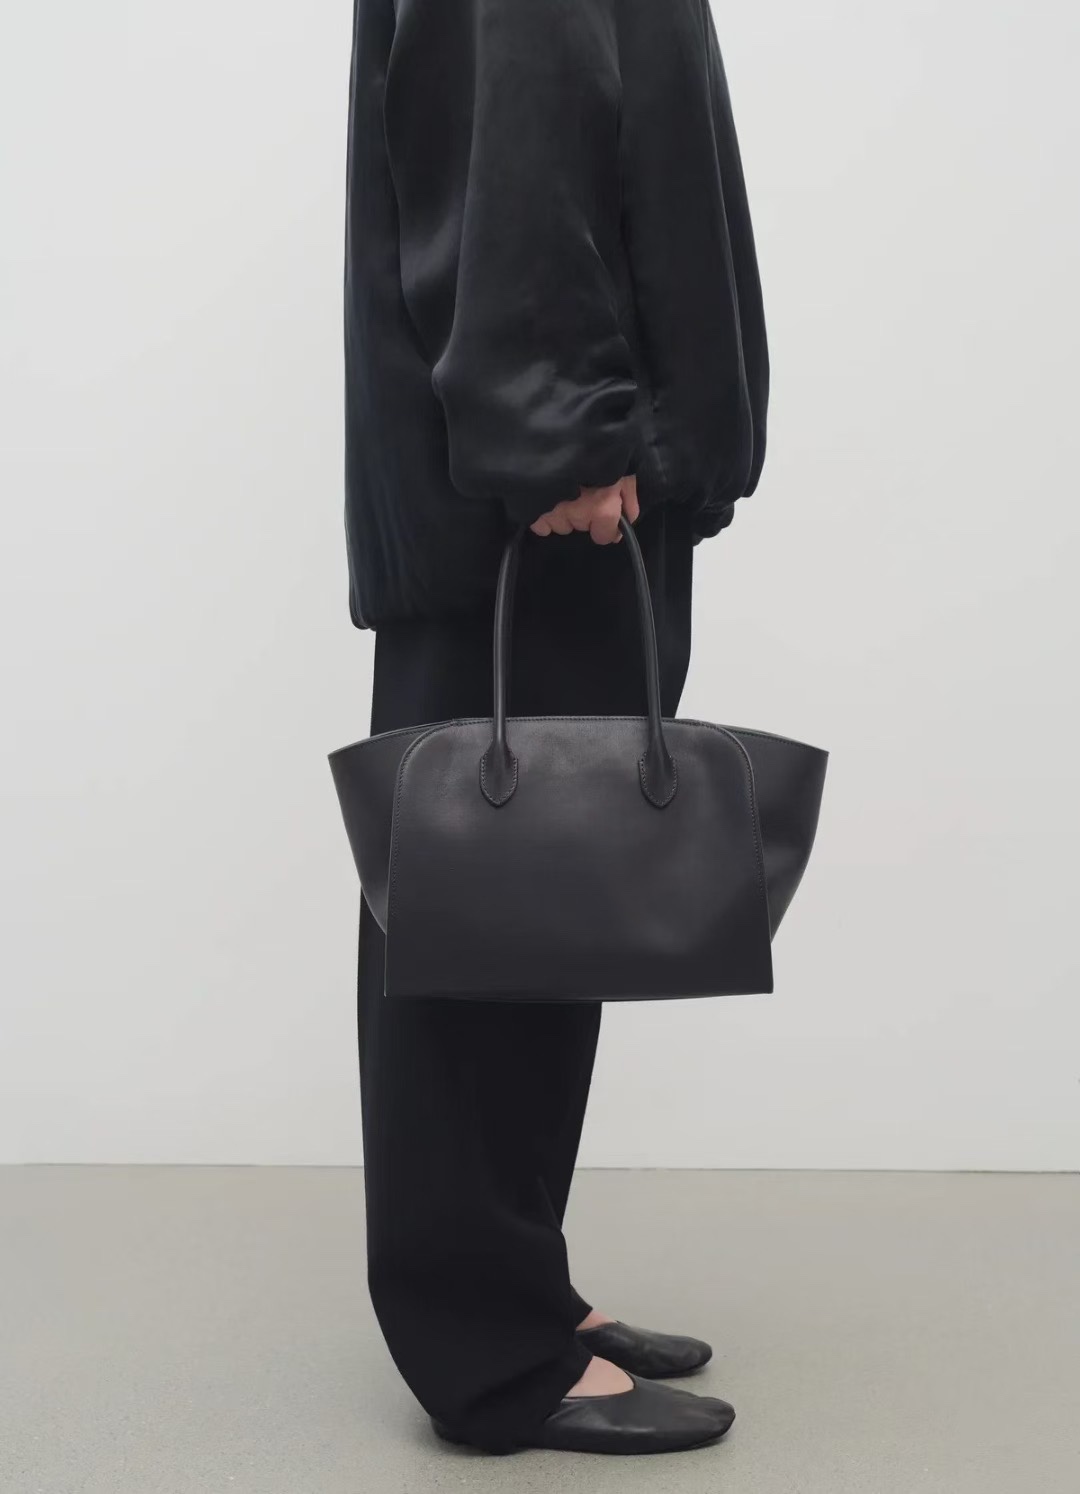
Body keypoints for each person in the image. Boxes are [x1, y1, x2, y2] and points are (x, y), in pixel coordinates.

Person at [342, 0, 768, 1457]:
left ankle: (522, 1283)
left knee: (539, 897)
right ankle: (488, 1343)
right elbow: (508, 115)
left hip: (574, 462)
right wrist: (560, 426)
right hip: (544, 483)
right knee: (472, 906)